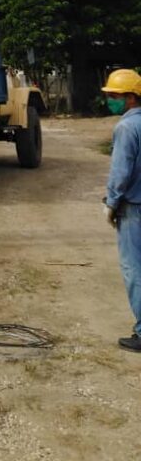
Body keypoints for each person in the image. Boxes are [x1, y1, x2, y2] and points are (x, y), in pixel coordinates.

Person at [102, 68, 141, 351]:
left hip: (134, 208)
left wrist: (111, 203)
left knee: (135, 271)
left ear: (130, 98)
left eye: (114, 96)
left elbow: (121, 172)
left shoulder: (127, 128)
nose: (110, 100)